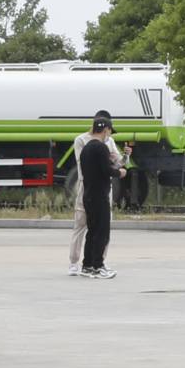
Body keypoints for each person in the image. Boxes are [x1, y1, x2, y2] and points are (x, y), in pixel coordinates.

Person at [68, 111, 126, 278]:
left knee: (92, 230)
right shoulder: (98, 146)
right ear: (105, 129)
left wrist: (121, 158)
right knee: (101, 229)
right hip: (98, 192)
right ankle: (97, 265)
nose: (109, 135)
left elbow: (108, 163)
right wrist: (119, 172)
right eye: (109, 130)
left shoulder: (87, 148)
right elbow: (108, 169)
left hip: (88, 191)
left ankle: (88, 265)